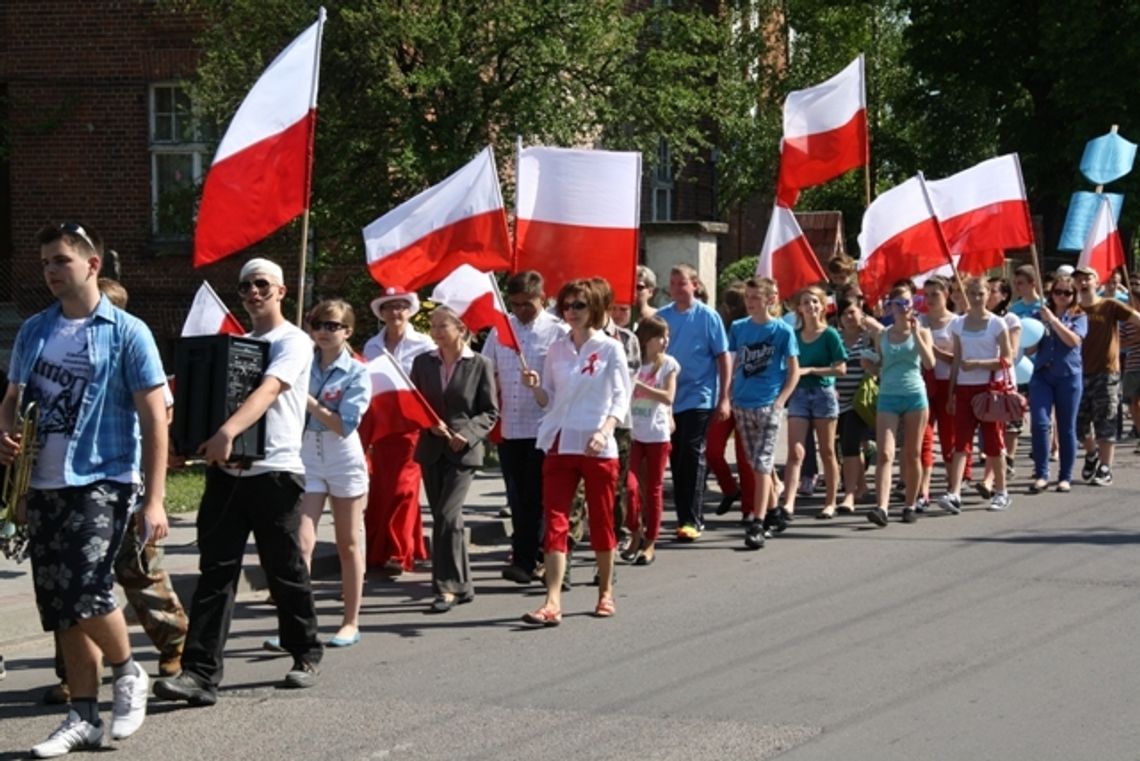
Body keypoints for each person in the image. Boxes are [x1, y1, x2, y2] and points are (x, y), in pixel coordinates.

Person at [1, 222, 169, 755]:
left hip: (104, 475)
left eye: (61, 261)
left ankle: (128, 671)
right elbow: (12, 398)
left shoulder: (126, 332)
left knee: (87, 590)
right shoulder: (35, 329)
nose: (51, 271)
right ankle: (83, 716)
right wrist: (5, 435)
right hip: (43, 482)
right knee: (60, 606)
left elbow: (155, 418)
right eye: (46, 262)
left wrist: (157, 497)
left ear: (92, 264)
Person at [155, 257, 323, 707]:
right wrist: (185, 441)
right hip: (227, 477)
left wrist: (227, 432)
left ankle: (305, 652)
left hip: (276, 473)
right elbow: (205, 396)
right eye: (246, 286)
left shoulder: (295, 341)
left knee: (283, 570)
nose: (253, 293)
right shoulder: (236, 345)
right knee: (215, 574)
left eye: (262, 285)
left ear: (281, 291)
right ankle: (200, 674)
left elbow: (269, 390)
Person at [42, 278, 189, 707]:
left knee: (137, 571)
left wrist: (153, 496)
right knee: (73, 580)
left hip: (123, 482)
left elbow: (162, 412)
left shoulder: (129, 343)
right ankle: (73, 671)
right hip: (73, 485)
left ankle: (174, 644)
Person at [520, 279, 630, 625]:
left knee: (601, 519)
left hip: (597, 445)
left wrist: (605, 429)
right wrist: (536, 388)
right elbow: (549, 400)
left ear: (595, 307)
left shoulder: (610, 348)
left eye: (579, 305)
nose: (571, 312)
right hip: (560, 443)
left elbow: (621, 397)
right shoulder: (556, 349)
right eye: (566, 306)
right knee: (555, 520)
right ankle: (552, 601)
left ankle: (605, 592)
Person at [411, 306, 499, 613]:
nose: (435, 332)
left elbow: (490, 411)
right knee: (446, 519)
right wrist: (427, 423)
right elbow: (414, 403)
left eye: (441, 326)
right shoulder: (423, 362)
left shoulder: (479, 364)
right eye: (432, 326)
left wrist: (470, 433)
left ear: (461, 329)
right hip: (432, 450)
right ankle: (463, 585)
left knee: (448, 516)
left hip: (463, 451)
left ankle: (445, 586)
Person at [482, 271, 566, 585]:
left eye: (527, 305)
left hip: (544, 426)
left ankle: (545, 558)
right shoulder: (501, 330)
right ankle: (522, 559)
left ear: (541, 299)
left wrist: (540, 386)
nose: (520, 311)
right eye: (515, 304)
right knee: (517, 496)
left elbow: (564, 379)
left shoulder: (557, 332)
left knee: (540, 496)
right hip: (511, 425)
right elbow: (486, 369)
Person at [297, 300, 372, 646]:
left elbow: (345, 424)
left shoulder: (357, 371)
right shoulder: (302, 362)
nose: (324, 332)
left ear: (348, 331)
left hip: (341, 455)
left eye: (332, 325)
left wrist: (309, 402)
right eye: (318, 325)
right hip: (306, 452)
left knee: (348, 541)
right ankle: (298, 625)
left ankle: (350, 621)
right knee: (300, 542)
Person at [360, 286, 434, 574]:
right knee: (382, 488)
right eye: (389, 307)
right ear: (381, 312)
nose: (396, 312)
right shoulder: (371, 346)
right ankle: (384, 548)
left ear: (409, 310)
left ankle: (397, 552)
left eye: (401, 306)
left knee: (404, 489)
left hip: (412, 427)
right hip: (382, 426)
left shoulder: (424, 344)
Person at [657, 264, 730, 540]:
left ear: (695, 285)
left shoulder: (708, 317)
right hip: (669, 398)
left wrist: (724, 398)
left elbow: (723, 357)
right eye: (673, 283)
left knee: (691, 453)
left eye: (682, 283)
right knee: (675, 457)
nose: (677, 288)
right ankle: (682, 516)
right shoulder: (663, 317)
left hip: (699, 396)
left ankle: (693, 519)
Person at [729, 278, 799, 549]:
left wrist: (780, 401)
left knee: (761, 464)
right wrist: (728, 395)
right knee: (756, 462)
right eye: (747, 297)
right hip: (742, 403)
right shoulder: (738, 328)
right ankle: (773, 511)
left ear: (770, 300)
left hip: (768, 404)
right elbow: (732, 363)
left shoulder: (782, 331)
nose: (750, 302)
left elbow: (793, 370)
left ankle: (756, 523)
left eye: (756, 297)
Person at [937, 276, 1014, 514]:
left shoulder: (997, 324)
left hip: (990, 390)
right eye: (972, 294)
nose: (977, 298)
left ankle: (1001, 491)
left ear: (988, 295)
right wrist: (951, 393)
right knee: (961, 442)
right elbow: (957, 359)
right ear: (966, 295)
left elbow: (1008, 359)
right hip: (963, 388)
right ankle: (955, 492)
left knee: (993, 442)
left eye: (982, 294)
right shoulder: (958, 324)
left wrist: (980, 364)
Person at [866, 284, 935, 526]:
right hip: (888, 395)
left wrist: (916, 334)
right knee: (885, 453)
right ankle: (881, 507)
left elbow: (929, 364)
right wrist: (870, 366)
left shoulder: (922, 331)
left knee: (912, 453)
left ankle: (910, 504)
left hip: (914, 395)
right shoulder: (882, 334)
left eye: (907, 303)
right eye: (897, 304)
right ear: (891, 307)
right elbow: (880, 364)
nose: (903, 309)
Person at [782, 286, 847, 520]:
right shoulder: (794, 335)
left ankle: (830, 502)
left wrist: (812, 370)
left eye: (815, 302)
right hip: (799, 395)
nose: (811, 306)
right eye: (806, 303)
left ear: (822, 306)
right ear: (799, 308)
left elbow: (841, 368)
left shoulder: (830, 334)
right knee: (795, 452)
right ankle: (788, 503)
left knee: (827, 451)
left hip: (823, 394)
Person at [1073, 266, 1140, 486]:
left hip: (1107, 372)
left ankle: (1105, 467)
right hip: (1077, 373)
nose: (1083, 283)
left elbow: (1136, 319)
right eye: (1079, 279)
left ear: (1097, 281)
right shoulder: (1073, 309)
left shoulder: (1109, 306)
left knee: (1106, 420)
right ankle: (1091, 453)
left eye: (1088, 278)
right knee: (1079, 425)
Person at [625, 315, 678, 565]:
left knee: (654, 489)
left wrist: (639, 386)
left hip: (656, 434)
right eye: (660, 337)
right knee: (630, 486)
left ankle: (650, 542)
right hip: (634, 432)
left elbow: (668, 397)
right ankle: (635, 532)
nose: (665, 341)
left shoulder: (667, 365)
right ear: (646, 339)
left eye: (667, 336)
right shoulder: (632, 364)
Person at [1026, 276, 1086, 492]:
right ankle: (1042, 473)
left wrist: (1053, 321)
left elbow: (1073, 341)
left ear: (1073, 296)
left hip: (1068, 376)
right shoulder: (1039, 315)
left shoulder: (1079, 316)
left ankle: (1065, 476)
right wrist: (1031, 332)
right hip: (1042, 375)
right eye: (1058, 292)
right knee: (1040, 423)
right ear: (1051, 293)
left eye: (1067, 293)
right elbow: (1029, 348)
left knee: (1066, 427)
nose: (1062, 296)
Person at [918, 276, 968, 507]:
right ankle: (922, 490)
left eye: (934, 294)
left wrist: (935, 351)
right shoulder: (919, 321)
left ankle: (953, 486)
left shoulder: (956, 323)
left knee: (950, 438)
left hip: (949, 384)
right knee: (924, 438)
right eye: (926, 295)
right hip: (924, 385)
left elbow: (960, 359)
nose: (929, 300)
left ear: (946, 295)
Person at [707, 282, 749, 516]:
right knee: (712, 451)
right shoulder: (719, 326)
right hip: (722, 396)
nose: (728, 307)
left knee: (745, 458)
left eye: (734, 302)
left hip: (746, 399)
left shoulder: (749, 328)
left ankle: (749, 509)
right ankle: (731, 489)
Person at [833, 295, 873, 513]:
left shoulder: (868, 338)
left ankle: (849, 494)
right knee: (845, 445)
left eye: (852, 312)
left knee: (849, 444)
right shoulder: (835, 337)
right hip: (835, 401)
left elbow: (880, 364)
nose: (848, 317)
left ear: (861, 314)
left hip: (859, 402)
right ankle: (862, 485)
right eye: (844, 313)